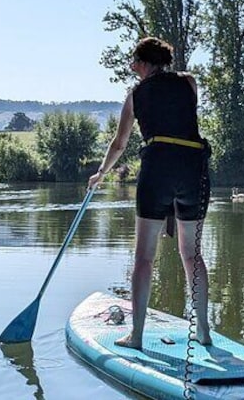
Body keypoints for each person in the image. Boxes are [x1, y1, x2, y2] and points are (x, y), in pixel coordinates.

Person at [88, 36, 212, 349]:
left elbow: (119, 143)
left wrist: (101, 173)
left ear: (143, 63)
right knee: (192, 254)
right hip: (192, 169)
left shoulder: (135, 95)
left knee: (144, 257)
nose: (131, 67)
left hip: (157, 170)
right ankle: (204, 331)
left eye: (134, 62)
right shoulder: (190, 83)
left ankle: (137, 335)